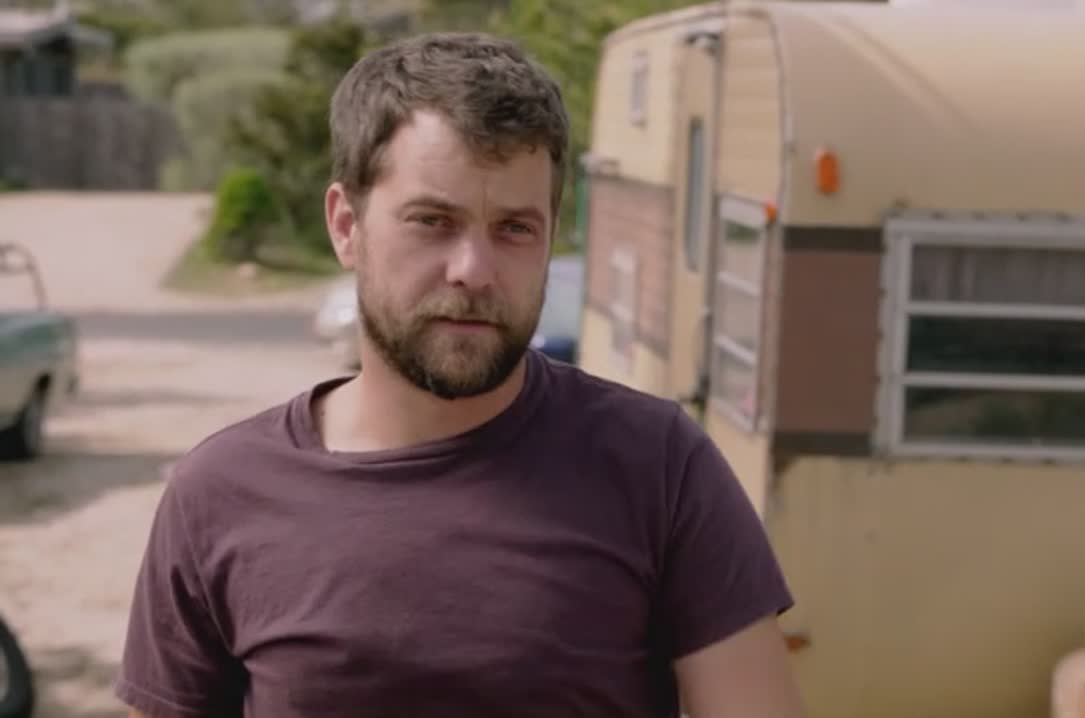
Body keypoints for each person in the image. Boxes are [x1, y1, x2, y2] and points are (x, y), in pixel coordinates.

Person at [114, 31, 804, 718]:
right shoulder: (220, 495)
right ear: (346, 226)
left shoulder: (659, 468)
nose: (474, 270)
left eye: (514, 229)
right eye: (432, 221)